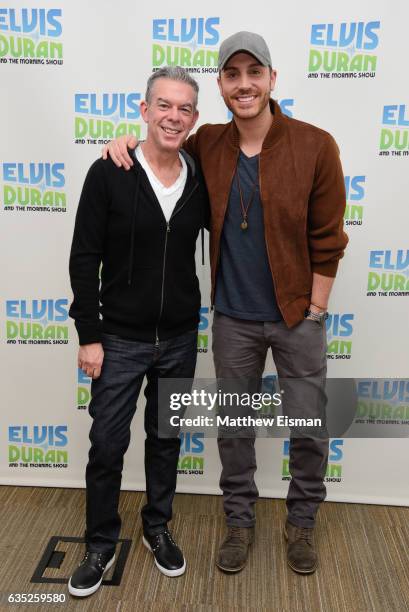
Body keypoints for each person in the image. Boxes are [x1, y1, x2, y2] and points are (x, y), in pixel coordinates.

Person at [102, 31, 348, 575]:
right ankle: (240, 521)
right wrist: (122, 143)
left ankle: (302, 520)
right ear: (220, 85)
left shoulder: (315, 144)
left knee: (309, 423)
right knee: (234, 428)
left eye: (253, 73)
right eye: (232, 75)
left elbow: (329, 238)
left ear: (271, 79)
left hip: (297, 315)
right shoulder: (207, 142)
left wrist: (316, 310)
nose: (244, 85)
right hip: (233, 317)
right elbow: (159, 149)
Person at [68, 66, 209, 597]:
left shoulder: (201, 178)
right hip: (119, 339)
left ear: (194, 119)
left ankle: (157, 528)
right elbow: (84, 258)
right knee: (106, 444)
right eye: (164, 105)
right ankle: (101, 542)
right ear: (145, 110)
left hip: (178, 339)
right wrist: (89, 334)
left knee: (166, 439)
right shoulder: (110, 171)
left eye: (185, 108)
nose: (174, 116)